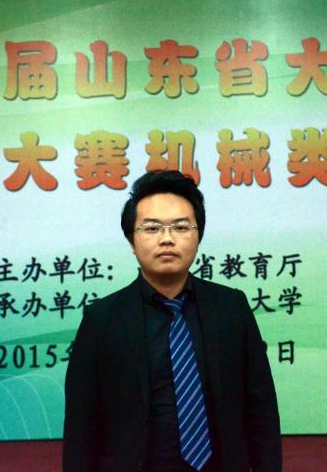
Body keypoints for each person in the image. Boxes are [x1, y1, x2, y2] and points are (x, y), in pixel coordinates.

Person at [63, 170, 282, 472]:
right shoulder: (101, 319)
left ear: (198, 236)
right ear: (131, 240)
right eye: (152, 228)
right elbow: (81, 422)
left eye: (180, 227)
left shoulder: (231, 307)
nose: (167, 239)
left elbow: (261, 407)